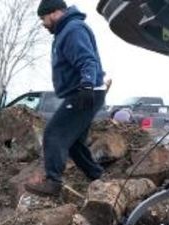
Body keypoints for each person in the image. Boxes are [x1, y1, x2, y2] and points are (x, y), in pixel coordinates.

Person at [25, 0, 108, 197]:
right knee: (74, 143)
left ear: (54, 13)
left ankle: (53, 182)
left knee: (54, 134)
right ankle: (98, 178)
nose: (43, 24)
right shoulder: (66, 30)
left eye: (43, 18)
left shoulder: (72, 30)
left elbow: (87, 59)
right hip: (86, 90)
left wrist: (87, 84)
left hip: (85, 91)